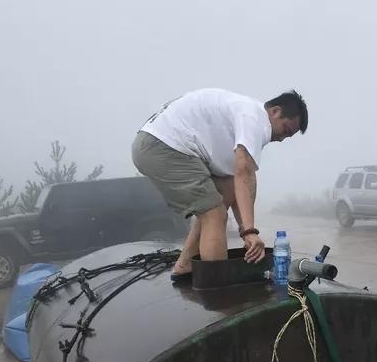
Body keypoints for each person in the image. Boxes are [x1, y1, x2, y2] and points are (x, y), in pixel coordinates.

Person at [132, 88, 308, 280]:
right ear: (275, 111)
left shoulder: (245, 114)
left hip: (160, 142)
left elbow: (236, 184)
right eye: (285, 130)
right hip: (164, 145)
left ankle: (186, 264)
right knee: (214, 215)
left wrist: (245, 231)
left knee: (223, 193)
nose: (282, 138)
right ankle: (218, 290)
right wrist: (250, 232)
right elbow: (244, 172)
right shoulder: (254, 118)